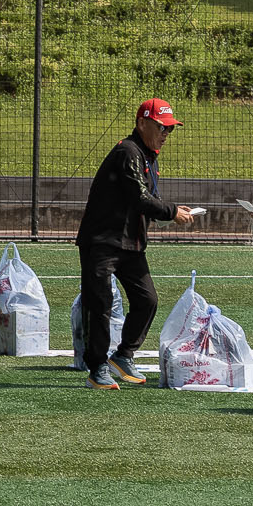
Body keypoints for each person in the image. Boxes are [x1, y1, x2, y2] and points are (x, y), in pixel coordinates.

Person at [74, 97, 201, 388]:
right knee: (100, 304)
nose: (166, 134)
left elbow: (144, 200)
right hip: (103, 242)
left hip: (130, 244)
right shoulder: (128, 152)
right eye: (162, 127)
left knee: (147, 300)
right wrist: (172, 212)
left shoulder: (147, 155)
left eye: (170, 129)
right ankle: (96, 368)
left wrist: (168, 211)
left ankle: (123, 354)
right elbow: (140, 198)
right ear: (142, 123)